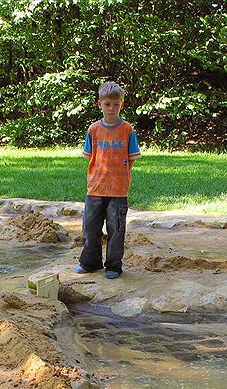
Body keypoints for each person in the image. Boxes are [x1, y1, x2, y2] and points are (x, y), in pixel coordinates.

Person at [76, 81, 141, 279]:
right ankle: (90, 262)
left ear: (121, 105)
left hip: (118, 190)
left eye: (115, 104)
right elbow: (91, 157)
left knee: (116, 229)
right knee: (90, 228)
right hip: (95, 188)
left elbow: (131, 159)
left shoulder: (127, 130)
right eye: (107, 104)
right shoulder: (93, 130)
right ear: (99, 104)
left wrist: (120, 177)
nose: (111, 108)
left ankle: (113, 266)